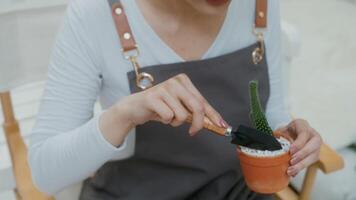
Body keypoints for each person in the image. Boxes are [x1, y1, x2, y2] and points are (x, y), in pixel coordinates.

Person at [29, 0, 322, 199]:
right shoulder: (96, 15)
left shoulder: (259, 5)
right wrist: (124, 114)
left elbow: (272, 116)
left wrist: (286, 137)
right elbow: (46, 173)